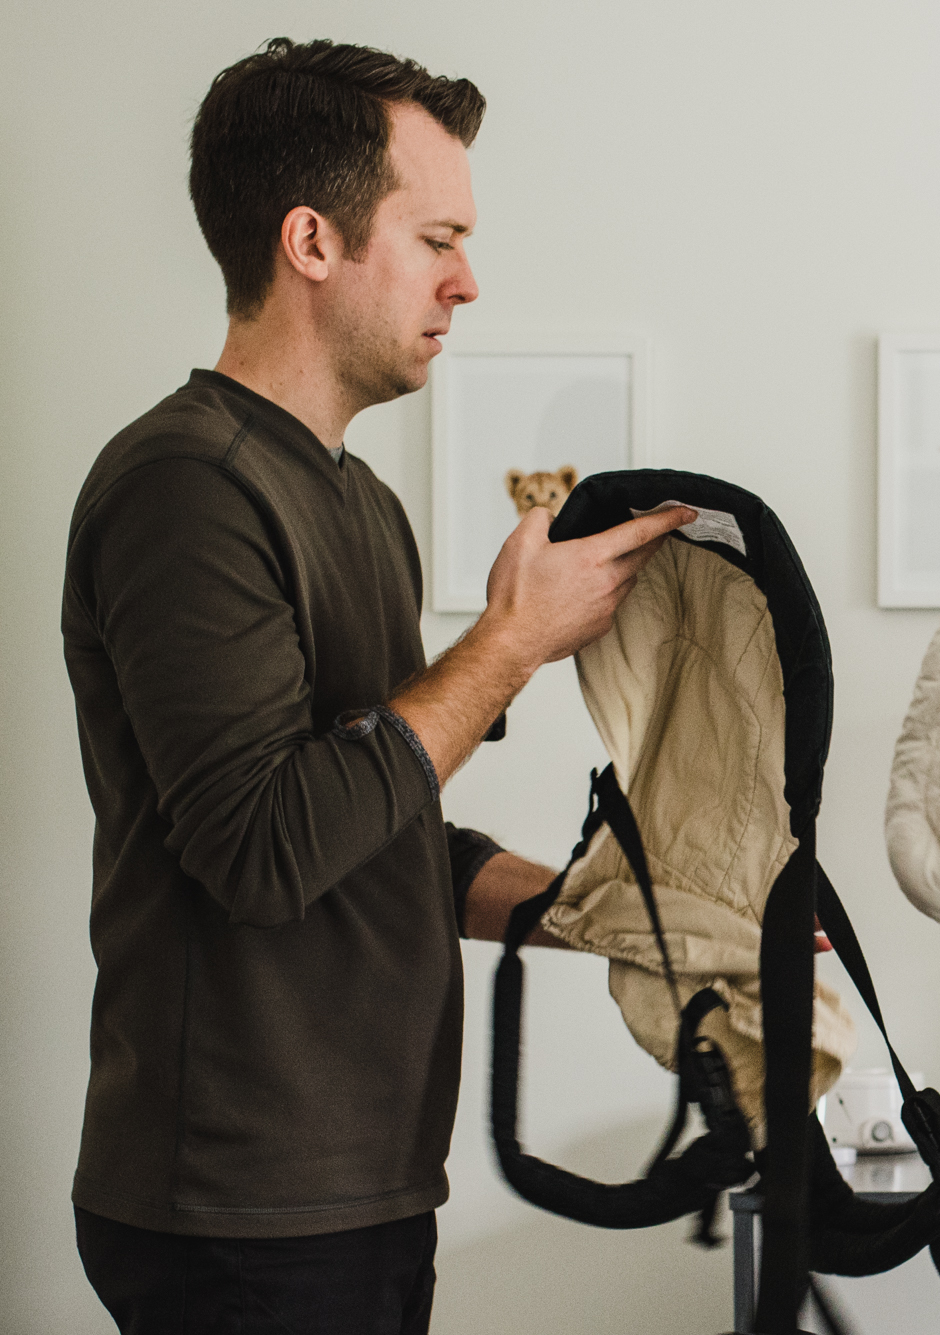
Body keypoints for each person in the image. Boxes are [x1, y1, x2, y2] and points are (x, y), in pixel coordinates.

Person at [60, 39, 694, 1332]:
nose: (468, 281)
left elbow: (378, 829)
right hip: (237, 1211)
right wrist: (507, 645)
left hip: (360, 1188)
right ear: (312, 241)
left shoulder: (366, 506)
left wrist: (622, 916)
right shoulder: (186, 488)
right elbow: (263, 846)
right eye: (437, 235)